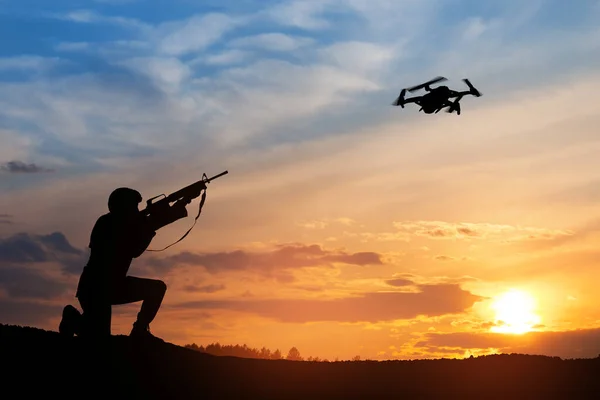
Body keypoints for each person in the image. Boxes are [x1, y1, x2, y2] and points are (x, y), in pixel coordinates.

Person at [59, 187, 189, 341]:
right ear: (122, 207)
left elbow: (149, 226)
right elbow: (135, 249)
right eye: (133, 207)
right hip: (96, 289)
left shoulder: (123, 224)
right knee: (98, 338)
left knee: (157, 288)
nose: (136, 211)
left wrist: (183, 202)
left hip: (114, 285)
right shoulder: (107, 224)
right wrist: (150, 225)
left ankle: (139, 330)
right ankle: (73, 319)